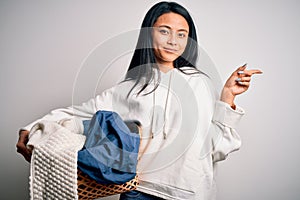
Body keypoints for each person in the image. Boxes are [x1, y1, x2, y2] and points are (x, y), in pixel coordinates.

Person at [16, 1, 262, 200]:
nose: (173, 40)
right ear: (148, 34)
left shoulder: (200, 82)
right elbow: (77, 114)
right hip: (140, 193)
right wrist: (31, 128)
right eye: (164, 31)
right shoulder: (128, 89)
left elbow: (216, 147)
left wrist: (227, 97)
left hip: (194, 192)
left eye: (181, 34)